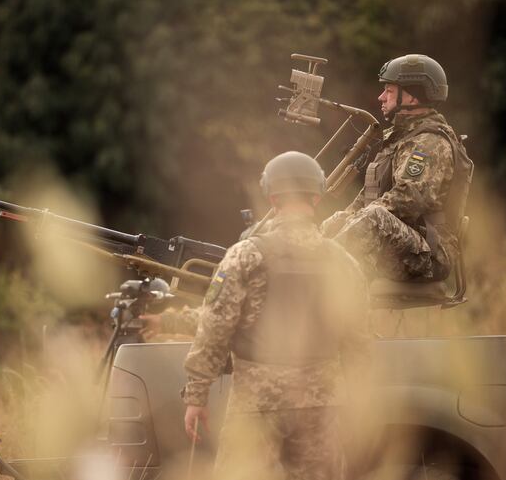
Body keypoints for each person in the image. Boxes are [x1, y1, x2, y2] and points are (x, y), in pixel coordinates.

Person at [180, 151, 370, 480]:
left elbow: (214, 327)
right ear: (316, 197)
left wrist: (197, 395)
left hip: (256, 406)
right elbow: (359, 341)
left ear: (271, 197)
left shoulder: (245, 255)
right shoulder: (344, 263)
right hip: (319, 406)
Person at [321, 54, 473, 282]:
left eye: (389, 91)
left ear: (411, 97)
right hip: (401, 242)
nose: (381, 97)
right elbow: (364, 202)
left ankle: (321, 279)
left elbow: (408, 200)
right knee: (334, 221)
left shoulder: (429, 143)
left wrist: (356, 222)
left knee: (373, 217)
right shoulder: (401, 139)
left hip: (429, 253)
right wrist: (340, 223)